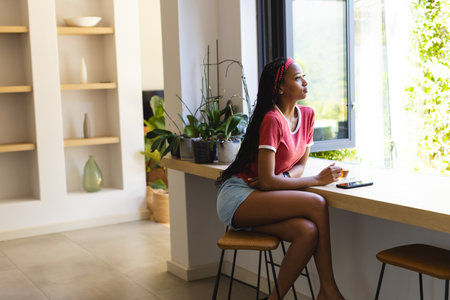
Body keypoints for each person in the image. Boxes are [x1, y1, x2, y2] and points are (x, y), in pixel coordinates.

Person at [216, 57, 345, 300]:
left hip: (262, 197)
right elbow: (267, 182)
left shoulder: (307, 115)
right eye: (297, 78)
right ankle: (329, 290)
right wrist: (316, 180)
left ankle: (275, 297)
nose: (305, 82)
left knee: (307, 232)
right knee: (317, 202)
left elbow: (298, 166)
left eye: (304, 76)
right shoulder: (272, 120)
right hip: (238, 196)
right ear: (280, 88)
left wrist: (279, 178)